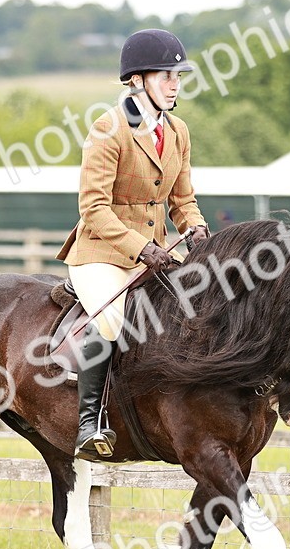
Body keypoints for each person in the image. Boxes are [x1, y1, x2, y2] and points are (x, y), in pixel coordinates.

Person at [55, 28, 210, 460]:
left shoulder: (177, 130)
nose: (175, 84)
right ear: (138, 80)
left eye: (178, 76)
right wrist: (141, 248)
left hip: (155, 255)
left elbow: (183, 198)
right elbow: (94, 208)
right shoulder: (109, 129)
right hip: (102, 253)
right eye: (166, 75)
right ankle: (90, 423)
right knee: (111, 321)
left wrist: (195, 227)